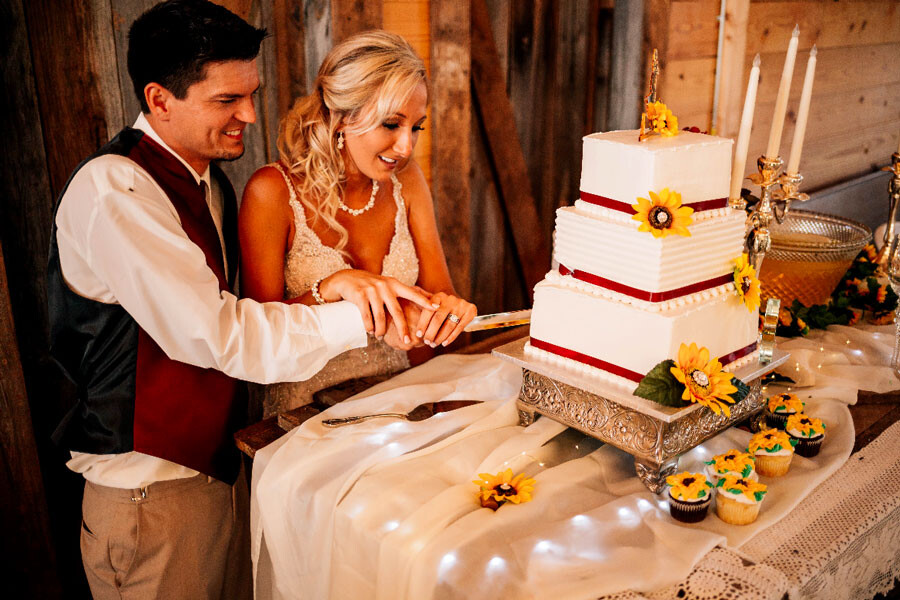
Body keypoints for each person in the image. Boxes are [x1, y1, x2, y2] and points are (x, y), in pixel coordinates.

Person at [47, 2, 430, 598]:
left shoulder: (208, 185)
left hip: (223, 475)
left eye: (251, 95)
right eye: (227, 99)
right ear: (159, 99)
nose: (249, 114)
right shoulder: (116, 190)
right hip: (151, 495)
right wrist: (357, 308)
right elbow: (221, 335)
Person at [239, 31, 477, 414]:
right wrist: (331, 287)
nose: (406, 147)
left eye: (416, 127)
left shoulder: (408, 181)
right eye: (391, 124)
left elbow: (439, 299)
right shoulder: (272, 192)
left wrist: (445, 315)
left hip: (400, 406)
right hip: (305, 417)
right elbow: (257, 338)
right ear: (341, 119)